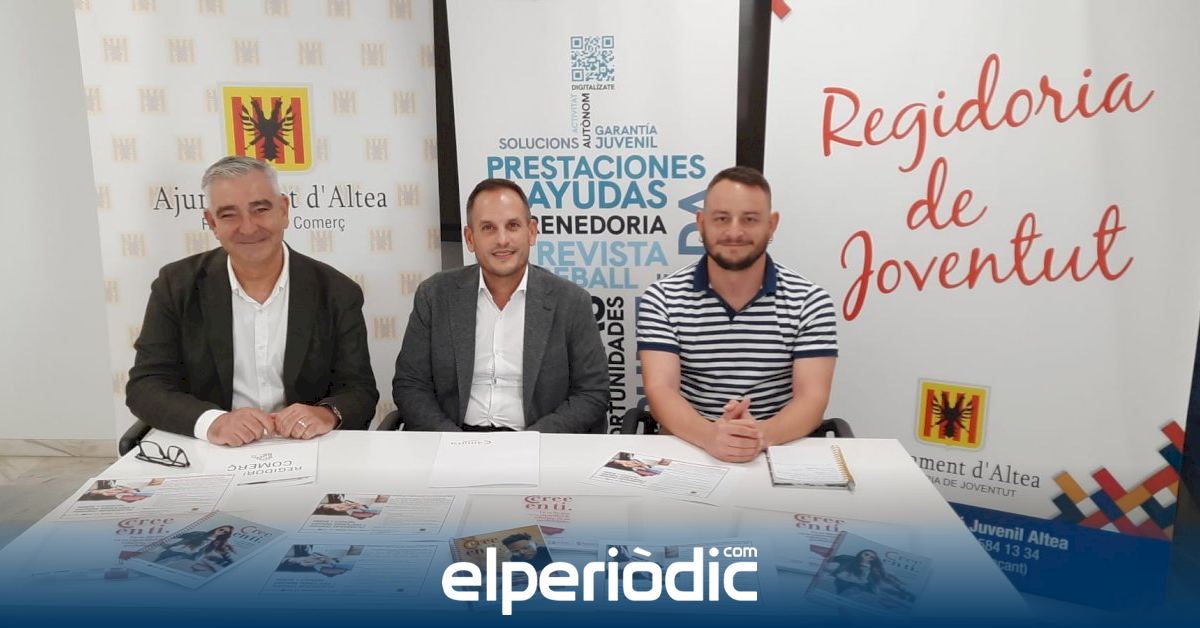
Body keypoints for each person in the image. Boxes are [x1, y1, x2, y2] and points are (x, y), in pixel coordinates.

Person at [126, 156, 378, 447]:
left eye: (260, 210)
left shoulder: (337, 291)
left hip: (306, 448)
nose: (247, 228)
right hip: (212, 449)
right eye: (229, 215)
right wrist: (213, 422)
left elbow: (359, 390)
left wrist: (327, 413)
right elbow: (146, 385)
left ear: (283, 210)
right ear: (212, 223)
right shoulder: (176, 285)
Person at [637, 166, 838, 463]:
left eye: (749, 219)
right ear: (701, 223)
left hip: (777, 451)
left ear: (771, 225)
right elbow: (660, 390)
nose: (734, 232)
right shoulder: (662, 298)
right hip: (689, 449)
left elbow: (812, 398)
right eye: (721, 218)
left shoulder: (811, 301)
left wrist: (756, 437)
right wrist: (710, 436)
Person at [393, 178, 608, 432]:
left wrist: (533, 441)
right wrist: (453, 441)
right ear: (470, 238)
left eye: (513, 226)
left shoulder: (571, 301)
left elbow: (592, 391)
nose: (502, 240)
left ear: (531, 232)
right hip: (454, 437)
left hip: (537, 440)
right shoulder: (434, 295)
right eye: (488, 228)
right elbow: (410, 384)